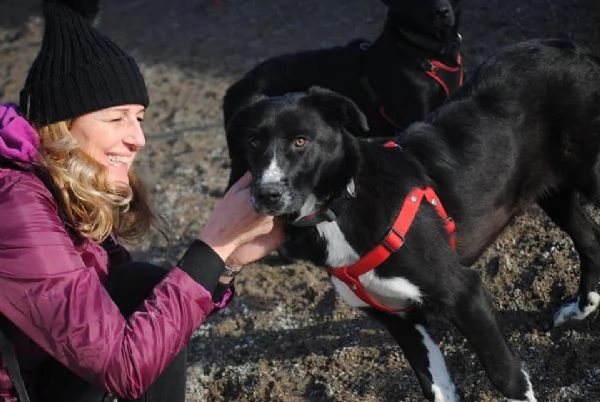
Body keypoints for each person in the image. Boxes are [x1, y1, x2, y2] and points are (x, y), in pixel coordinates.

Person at [0, 0, 283, 401]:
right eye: (116, 118)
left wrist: (227, 262)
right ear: (58, 126)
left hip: (40, 373)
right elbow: (125, 367)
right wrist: (213, 245)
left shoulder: (64, 188)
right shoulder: (14, 206)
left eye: (140, 118)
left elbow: (150, 314)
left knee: (141, 287)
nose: (139, 138)